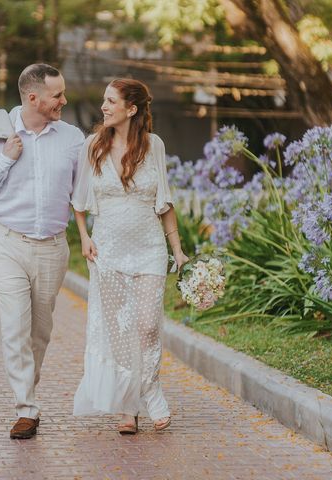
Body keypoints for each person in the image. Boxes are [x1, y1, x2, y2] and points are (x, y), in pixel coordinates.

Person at [0, 64, 85, 439]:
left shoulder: (72, 138)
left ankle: (27, 393)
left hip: (52, 247)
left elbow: (83, 194)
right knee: (15, 325)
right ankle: (26, 408)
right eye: (57, 95)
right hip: (6, 243)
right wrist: (5, 159)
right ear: (33, 98)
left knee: (40, 331)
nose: (64, 100)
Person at [71, 78, 189, 434]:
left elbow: (164, 202)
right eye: (104, 100)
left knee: (148, 325)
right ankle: (129, 408)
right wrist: (84, 238)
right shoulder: (93, 146)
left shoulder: (154, 147)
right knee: (120, 332)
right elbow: (78, 202)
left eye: (111, 101)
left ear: (131, 109)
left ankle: (149, 387)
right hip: (107, 250)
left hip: (149, 248)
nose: (104, 107)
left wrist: (178, 250)